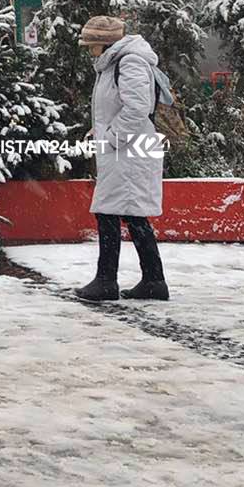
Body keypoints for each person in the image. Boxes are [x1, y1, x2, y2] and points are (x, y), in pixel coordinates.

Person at [74, 15, 169, 303]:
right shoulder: (115, 63)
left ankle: (106, 281)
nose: (88, 49)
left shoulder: (129, 62)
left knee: (109, 211)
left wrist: (112, 136)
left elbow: (137, 107)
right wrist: (101, 130)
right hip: (123, 149)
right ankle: (153, 281)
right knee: (129, 212)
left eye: (91, 44)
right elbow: (115, 106)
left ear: (104, 44)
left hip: (128, 150)